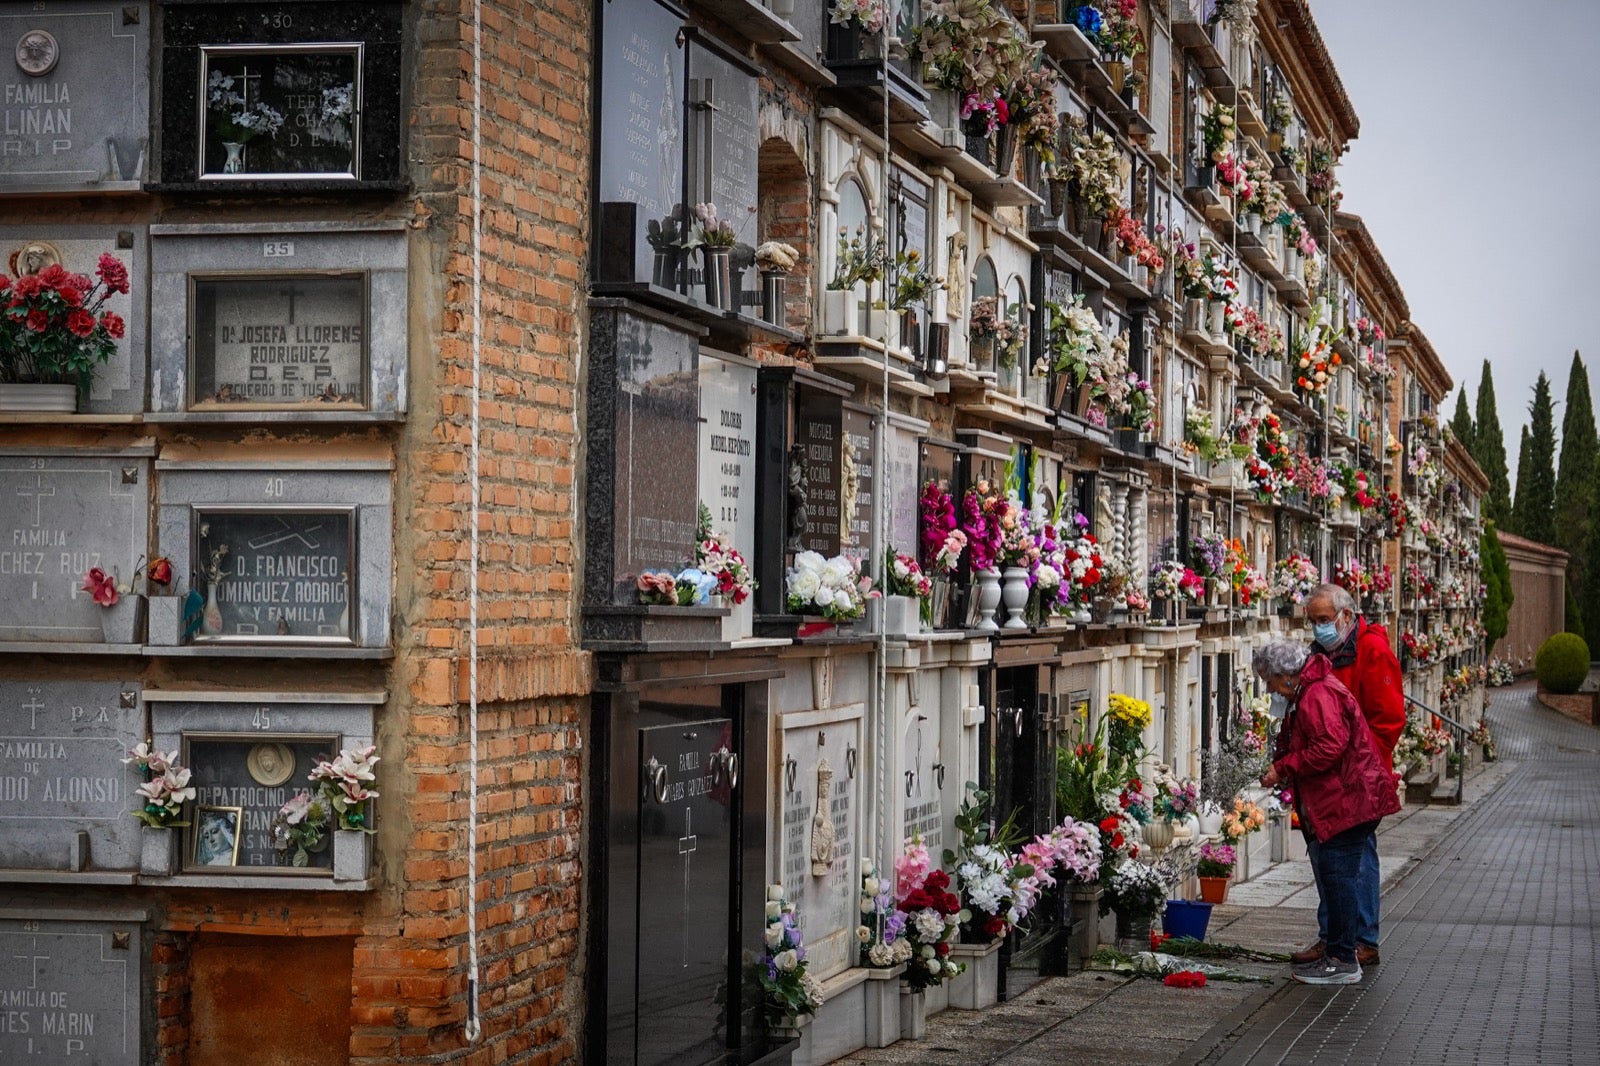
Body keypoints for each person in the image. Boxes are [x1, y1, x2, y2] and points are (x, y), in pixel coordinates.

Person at [1254, 641, 1400, 985]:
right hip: (1344, 800)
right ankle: (1337, 952)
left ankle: (1343, 960)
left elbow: (1329, 747)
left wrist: (1283, 768)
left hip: (1347, 801)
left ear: (1285, 675)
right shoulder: (1312, 690)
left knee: (1340, 882)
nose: (1270, 689)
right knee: (1337, 881)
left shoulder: (1317, 694)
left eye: (1270, 681)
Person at [1293, 583, 1404, 969]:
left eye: (1324, 620)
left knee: (1358, 857)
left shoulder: (1372, 651)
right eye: (1314, 621)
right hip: (1327, 778)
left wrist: (1358, 762)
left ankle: (1363, 939)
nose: (1319, 628)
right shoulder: (1322, 653)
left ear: (1347, 616)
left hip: (1358, 777)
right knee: (1327, 860)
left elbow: (1388, 720)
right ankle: (1333, 937)